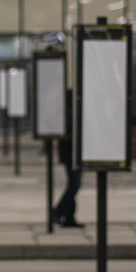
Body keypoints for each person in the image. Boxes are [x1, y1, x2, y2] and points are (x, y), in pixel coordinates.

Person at [53, 92, 83, 228]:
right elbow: (68, 136)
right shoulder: (69, 114)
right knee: (74, 184)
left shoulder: (69, 113)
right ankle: (58, 211)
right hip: (71, 154)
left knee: (74, 184)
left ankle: (69, 216)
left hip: (72, 154)